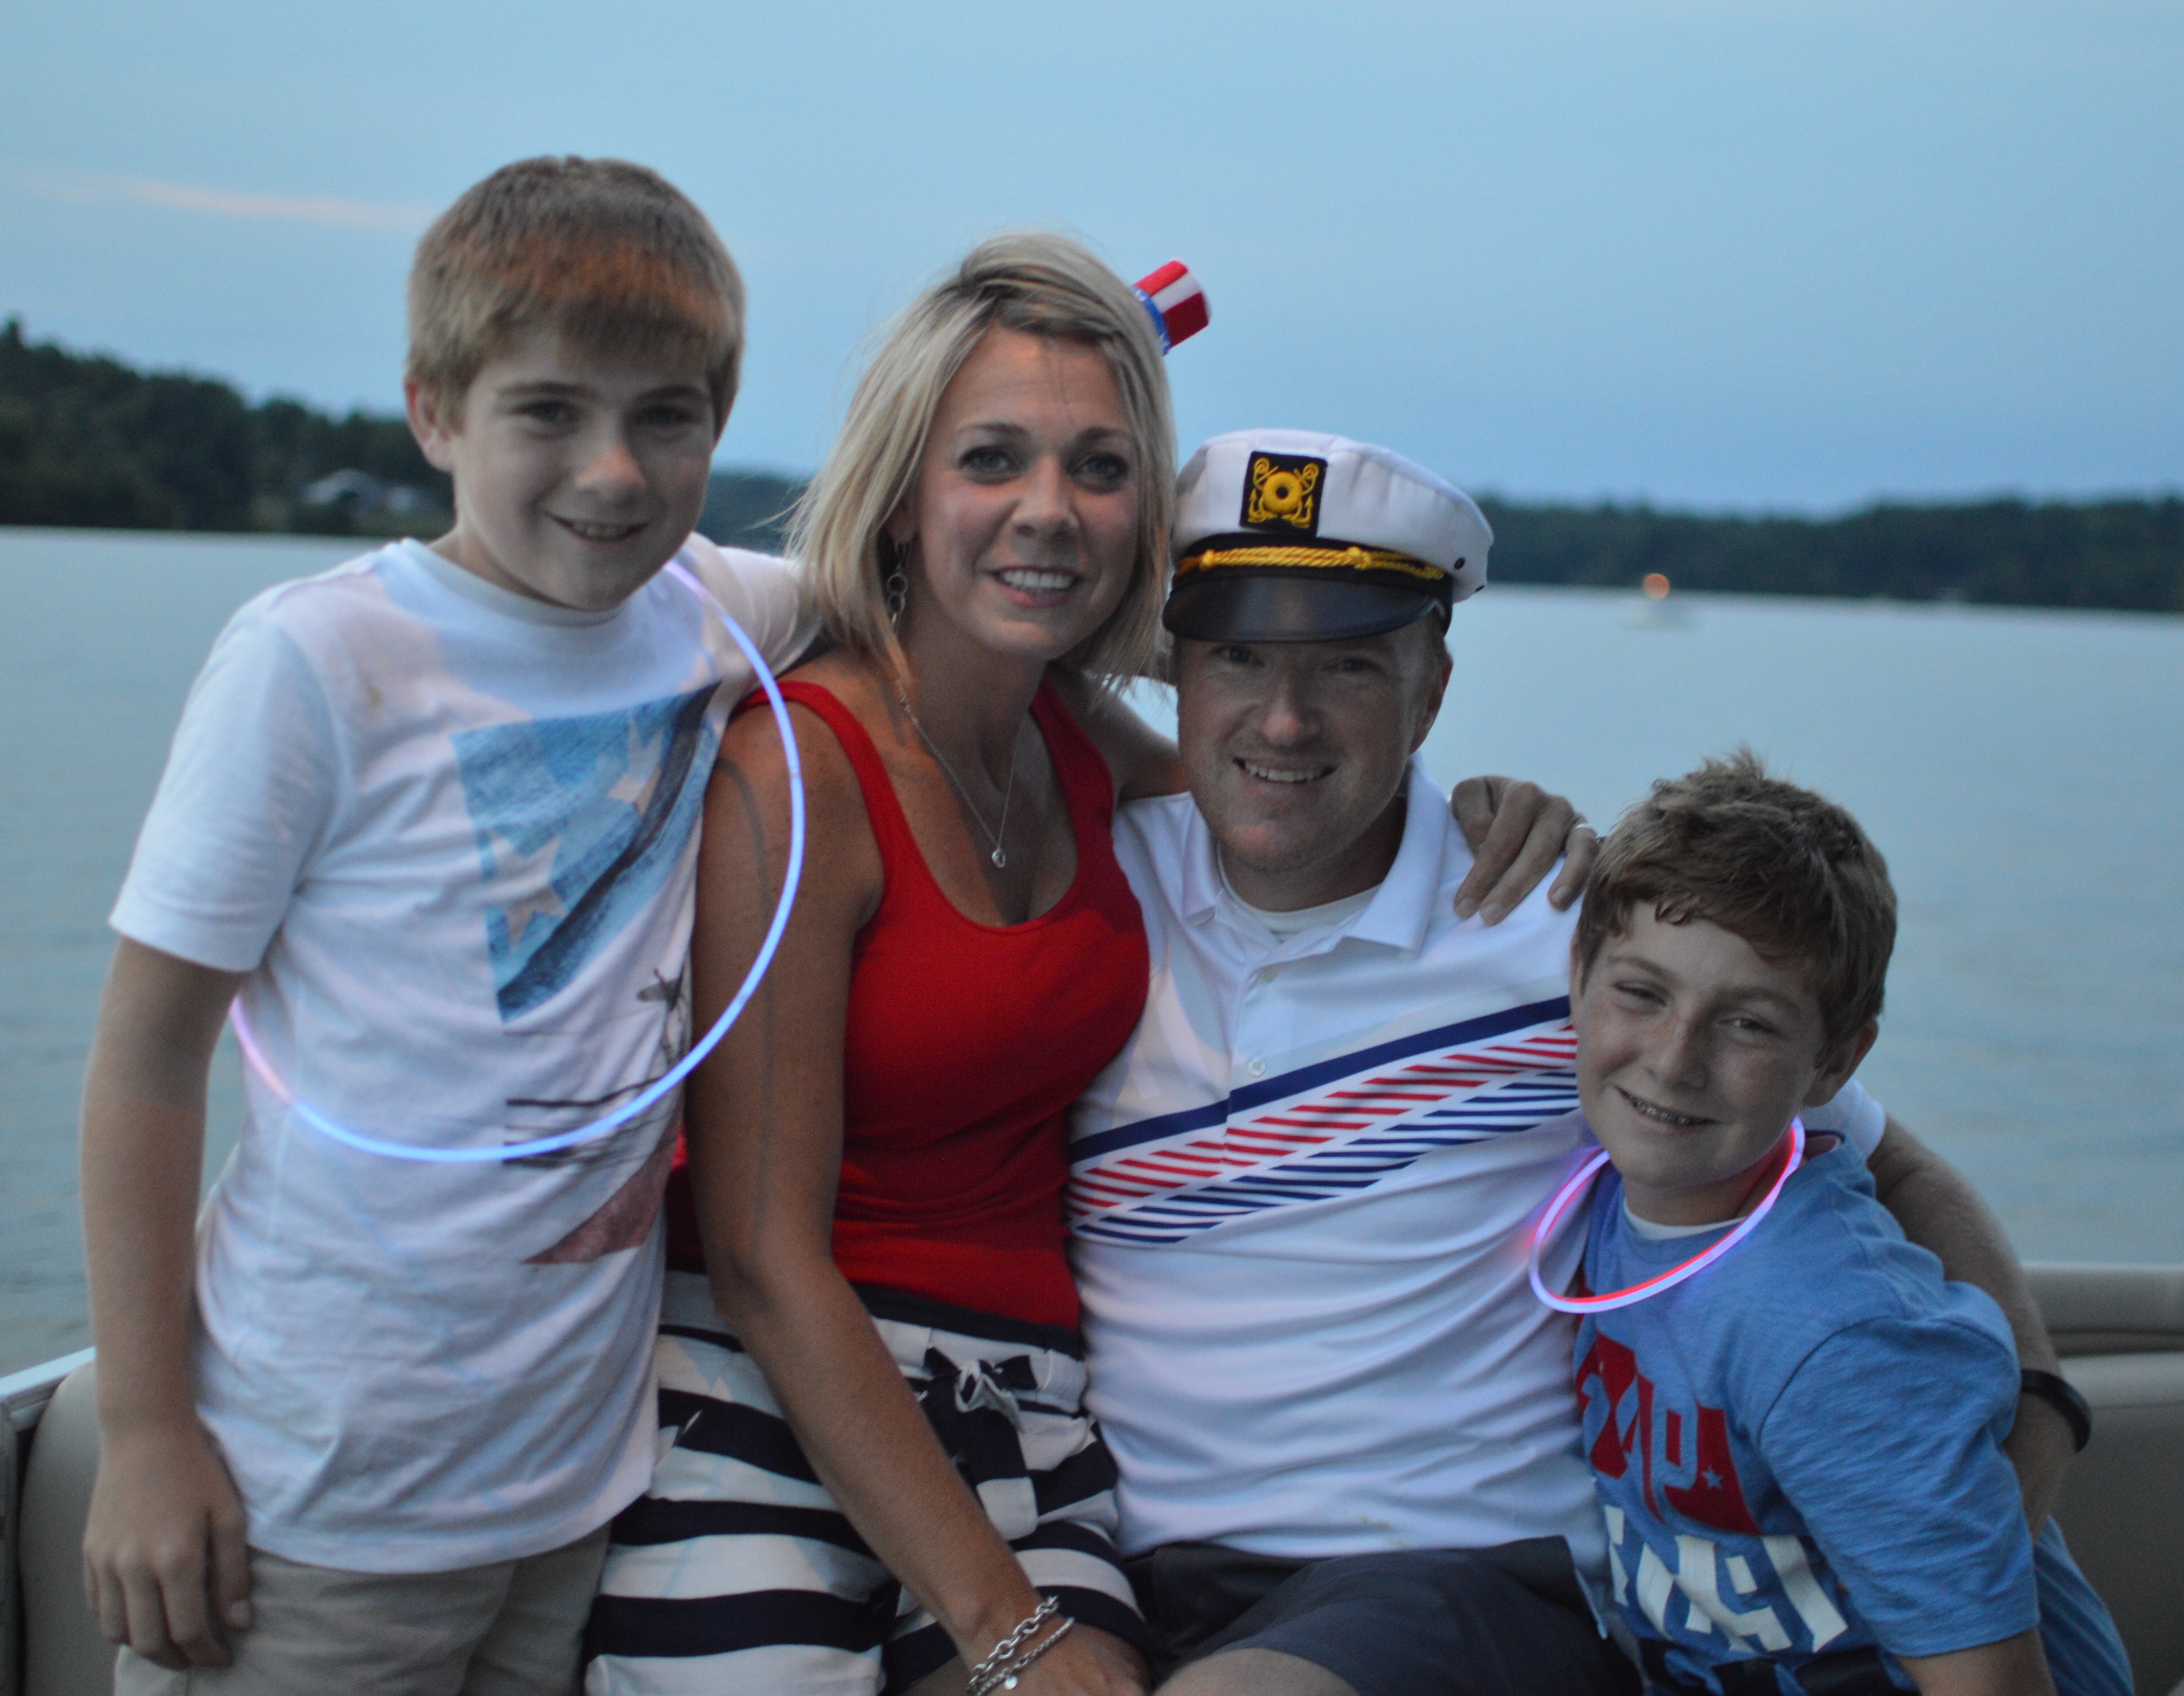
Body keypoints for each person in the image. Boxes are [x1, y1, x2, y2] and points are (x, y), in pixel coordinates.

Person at [583, 243, 1579, 1696]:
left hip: (1029, 1416)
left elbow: (1292, 785)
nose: (1049, 509)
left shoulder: (1082, 753)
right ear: (903, 493)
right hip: (764, 1391)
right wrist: (1011, 1630)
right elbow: (759, 1254)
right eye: (992, 458)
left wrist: (1492, 821)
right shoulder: (798, 774)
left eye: (1101, 469)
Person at [1066, 430, 2086, 1696]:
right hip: (1126, 1572)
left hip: (1463, 1580)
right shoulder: (1075, 901)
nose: (1285, 718)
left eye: (1351, 665)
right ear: (1172, 669)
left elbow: (1894, 1171)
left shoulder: (1563, 938)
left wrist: (2039, 1401)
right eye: (1238, 658)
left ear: (1434, 691)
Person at [78, 156, 812, 1693]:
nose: (612, 472)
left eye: (666, 418)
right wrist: (145, 1431)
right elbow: (146, 1061)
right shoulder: (319, 659)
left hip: (574, 1492)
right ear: (434, 413)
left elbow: (946, 599)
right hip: (315, 1500)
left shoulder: (715, 612)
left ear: (720, 422)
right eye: (546, 411)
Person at [1560, 754, 2129, 1696]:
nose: (1672, 1060)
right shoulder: (1614, 1206)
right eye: (1643, 993)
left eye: (1749, 1024)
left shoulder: (1835, 1338)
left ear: (1836, 1064)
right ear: (1578, 976)